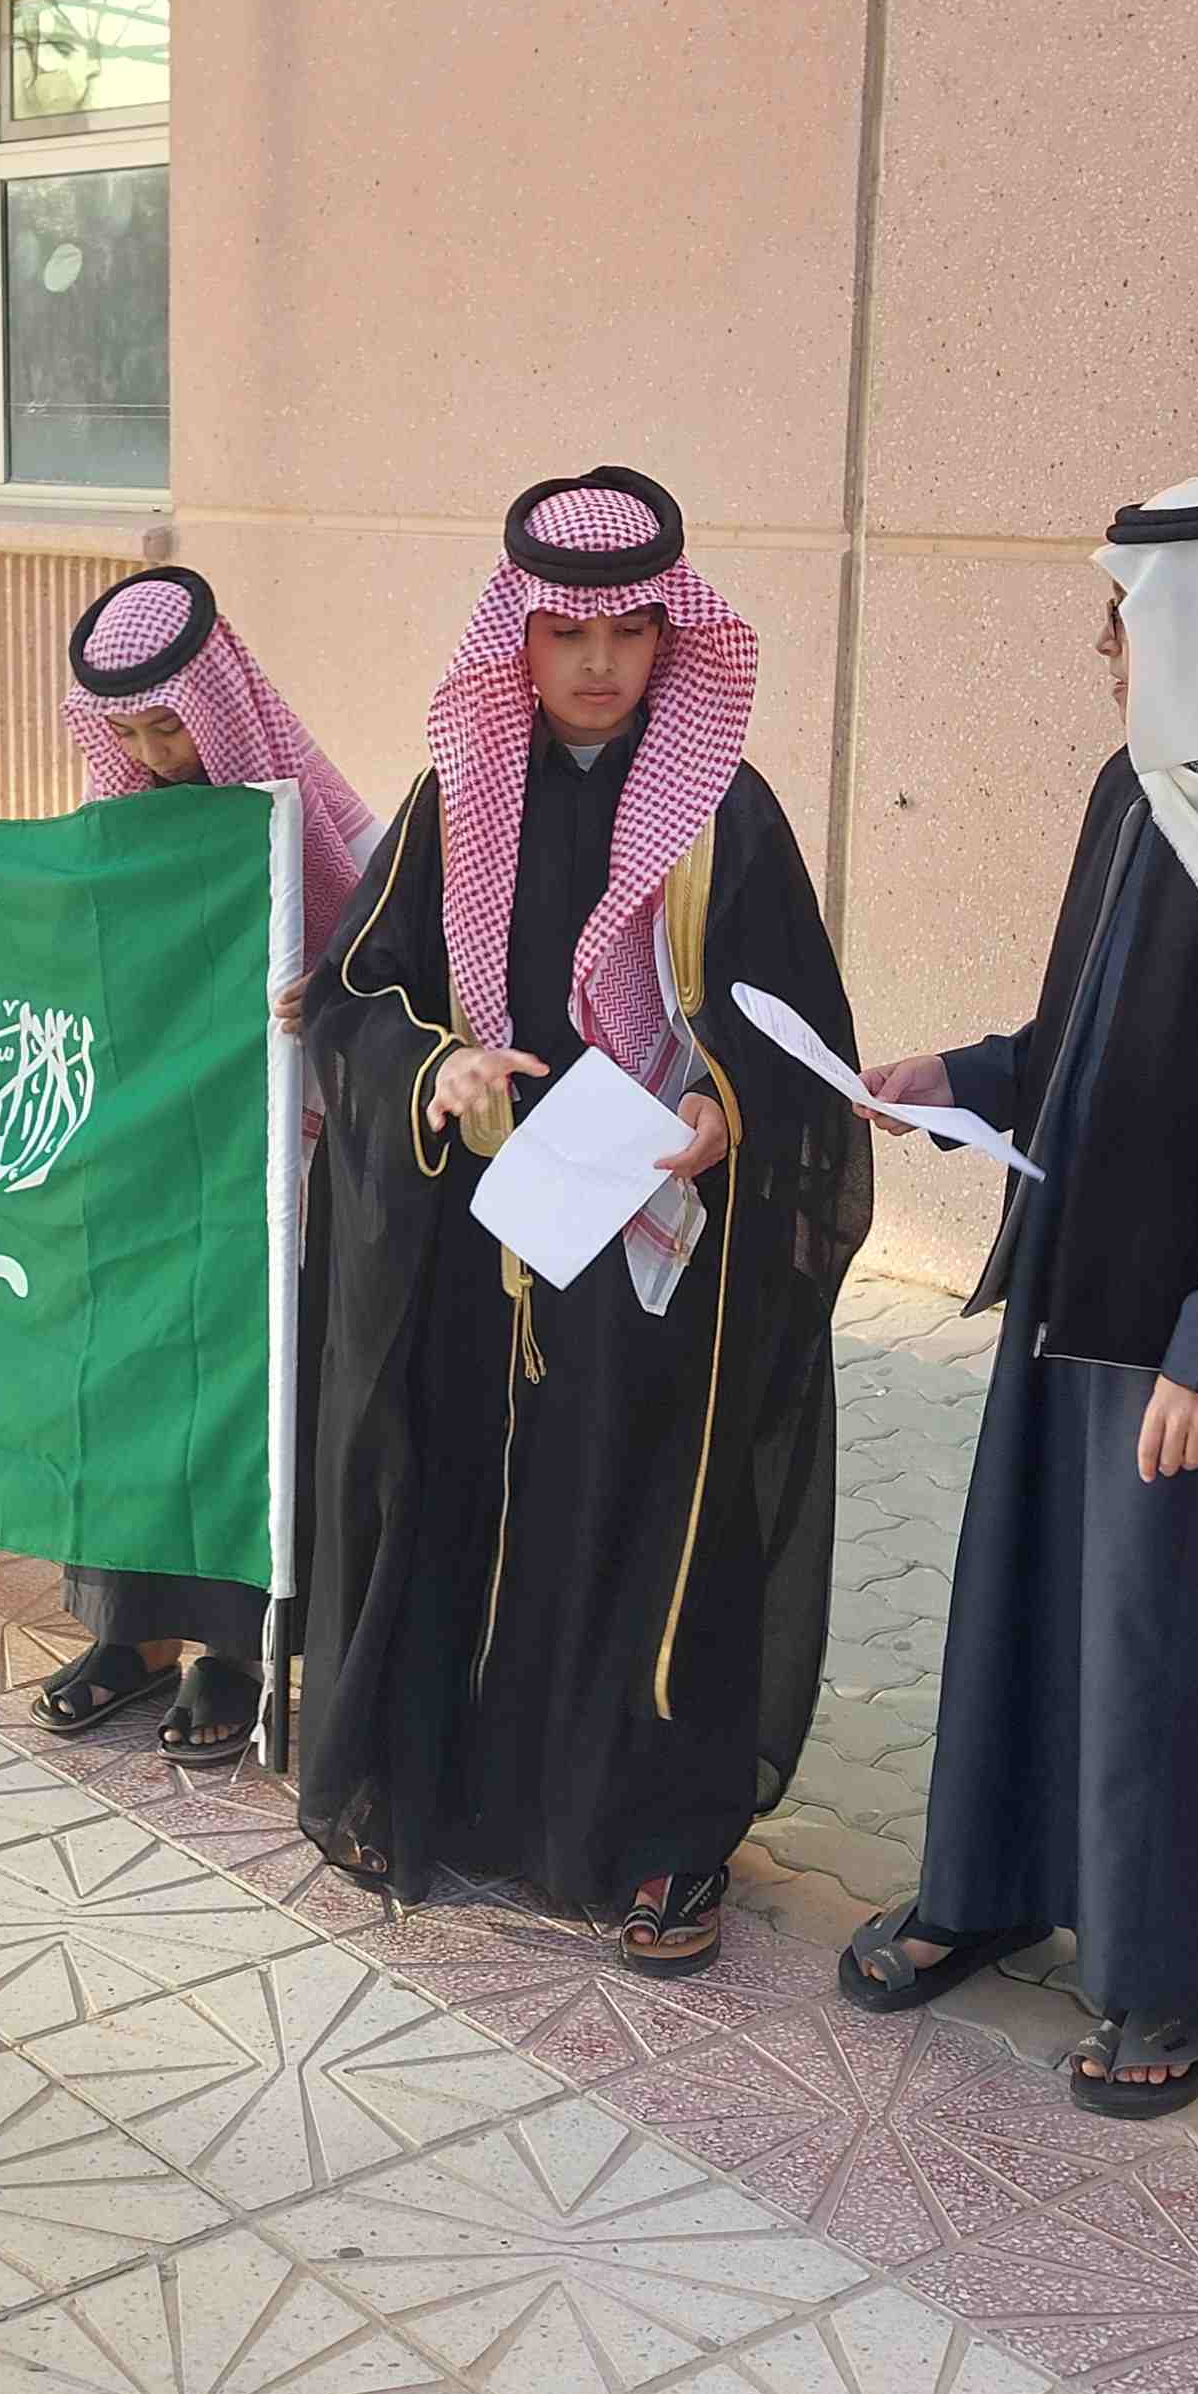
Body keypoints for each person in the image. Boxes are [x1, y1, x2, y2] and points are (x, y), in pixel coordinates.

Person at [841, 481, 1198, 2109]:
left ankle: (1183, 1970)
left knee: (1185, 1652)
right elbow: (1087, 1035)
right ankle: (993, 1882)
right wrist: (958, 1075)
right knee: (1030, 1602)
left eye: (1134, 622)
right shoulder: (1137, 788)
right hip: (1075, 1285)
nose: (1109, 653)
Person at [291, 469, 870, 1971]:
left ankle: (656, 1835)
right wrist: (439, 1069)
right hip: (483, 1241)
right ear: (521, 639)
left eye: (628, 632)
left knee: (646, 1517)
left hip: (654, 1246)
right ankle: (459, 1790)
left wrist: (728, 1109)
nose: (600, 664)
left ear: (674, 636)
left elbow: (801, 1038)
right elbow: (356, 997)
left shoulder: (725, 814)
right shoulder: (455, 797)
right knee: (466, 1497)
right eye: (566, 634)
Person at [36, 563, 380, 1761]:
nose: (151, 753)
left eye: (170, 726)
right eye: (126, 732)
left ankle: (234, 1651)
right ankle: (127, 1633)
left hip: (268, 1164)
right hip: (147, 1153)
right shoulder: (125, 817)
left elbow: (392, 950)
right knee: (128, 1371)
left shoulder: (309, 810)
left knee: (245, 1384)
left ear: (219, 701)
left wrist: (332, 987)